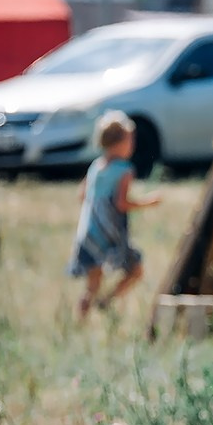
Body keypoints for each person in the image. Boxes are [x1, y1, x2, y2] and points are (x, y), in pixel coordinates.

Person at [69, 111, 158, 318]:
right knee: (136, 270)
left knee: (92, 285)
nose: (132, 145)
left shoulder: (96, 166)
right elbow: (121, 203)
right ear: (118, 143)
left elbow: (82, 194)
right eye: (130, 140)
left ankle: (79, 320)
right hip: (110, 235)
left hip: (89, 233)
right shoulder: (125, 170)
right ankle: (106, 302)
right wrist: (148, 202)